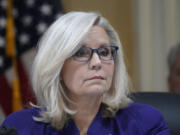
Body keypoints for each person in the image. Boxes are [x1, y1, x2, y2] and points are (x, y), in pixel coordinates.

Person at [1, 11, 170, 135]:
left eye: (104, 52)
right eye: (81, 53)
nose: (97, 63)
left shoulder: (146, 123)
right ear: (56, 65)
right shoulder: (19, 128)